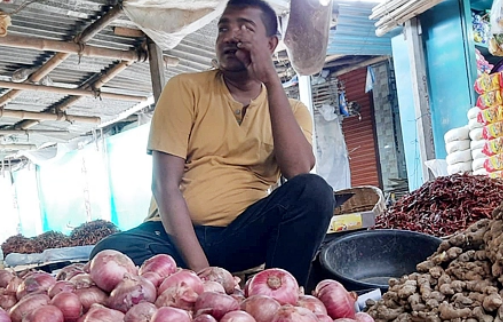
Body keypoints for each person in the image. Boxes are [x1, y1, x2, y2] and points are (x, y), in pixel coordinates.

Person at [91, 0, 334, 285]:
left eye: (246, 28)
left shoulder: (292, 111)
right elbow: (165, 186)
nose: (231, 36)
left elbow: (299, 172)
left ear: (270, 44)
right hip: (172, 239)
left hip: (240, 237)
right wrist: (205, 275)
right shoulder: (185, 89)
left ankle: (281, 293)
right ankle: (193, 284)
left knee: (315, 192)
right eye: (223, 29)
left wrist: (271, 80)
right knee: (109, 252)